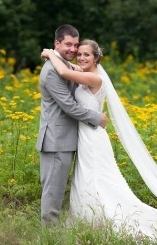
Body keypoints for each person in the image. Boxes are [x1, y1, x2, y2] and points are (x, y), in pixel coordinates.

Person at [41, 39, 157, 239]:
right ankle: (89, 219)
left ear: (96, 58)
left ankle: (102, 219)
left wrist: (50, 53)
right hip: (84, 136)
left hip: (93, 138)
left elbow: (65, 72)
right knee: (84, 178)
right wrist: (58, 56)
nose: (82, 57)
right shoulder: (85, 73)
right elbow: (69, 66)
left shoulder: (95, 78)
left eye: (87, 55)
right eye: (80, 54)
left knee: (97, 178)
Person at [36, 25, 107, 226]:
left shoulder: (64, 65)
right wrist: (96, 118)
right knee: (53, 189)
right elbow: (69, 106)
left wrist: (50, 54)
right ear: (57, 43)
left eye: (76, 45)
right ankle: (49, 235)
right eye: (68, 44)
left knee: (60, 188)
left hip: (68, 139)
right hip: (56, 140)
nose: (73, 50)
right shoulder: (52, 70)